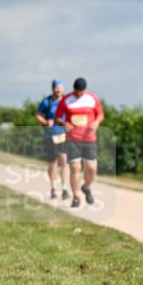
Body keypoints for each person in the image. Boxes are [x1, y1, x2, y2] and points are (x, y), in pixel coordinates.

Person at [55, 77, 105, 208]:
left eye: (81, 92)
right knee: (75, 167)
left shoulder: (92, 98)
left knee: (91, 167)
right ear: (73, 89)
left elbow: (100, 114)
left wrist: (96, 122)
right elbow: (58, 116)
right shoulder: (66, 99)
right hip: (73, 138)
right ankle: (76, 196)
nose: (79, 94)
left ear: (85, 90)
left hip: (89, 138)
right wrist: (64, 123)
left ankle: (86, 187)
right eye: (77, 92)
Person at [34, 79, 71, 200]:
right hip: (50, 135)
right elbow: (38, 115)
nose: (58, 89)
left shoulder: (67, 101)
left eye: (60, 87)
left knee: (64, 161)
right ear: (53, 88)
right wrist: (45, 122)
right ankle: (53, 187)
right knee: (52, 163)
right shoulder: (46, 101)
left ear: (63, 89)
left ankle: (65, 188)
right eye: (56, 87)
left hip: (64, 135)